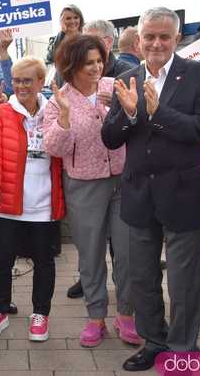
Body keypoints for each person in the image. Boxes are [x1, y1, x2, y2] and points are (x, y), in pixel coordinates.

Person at [101, 7, 200, 371]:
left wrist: (157, 113)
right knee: (141, 277)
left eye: (163, 36)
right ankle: (154, 340)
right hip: (138, 194)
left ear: (177, 39)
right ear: (138, 40)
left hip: (185, 193)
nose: (155, 43)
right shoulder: (127, 77)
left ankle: (183, 349)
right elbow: (109, 138)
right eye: (149, 36)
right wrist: (130, 113)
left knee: (184, 281)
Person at [43, 35, 140, 348]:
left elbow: (138, 128)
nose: (97, 67)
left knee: (126, 253)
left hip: (123, 181)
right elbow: (53, 148)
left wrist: (129, 111)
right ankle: (95, 316)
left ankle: (126, 314)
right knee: (91, 255)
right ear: (72, 66)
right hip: (84, 184)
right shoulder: (58, 100)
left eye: (100, 61)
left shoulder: (114, 87)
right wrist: (65, 118)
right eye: (89, 63)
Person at [0, 56, 64, 341]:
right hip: (7, 202)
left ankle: (41, 314)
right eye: (16, 80)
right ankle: (0, 309)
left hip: (43, 204)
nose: (21, 86)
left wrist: (64, 119)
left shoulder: (53, 111)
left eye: (27, 80)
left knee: (44, 261)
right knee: (0, 259)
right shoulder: (1, 113)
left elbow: (64, 147)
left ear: (41, 82)